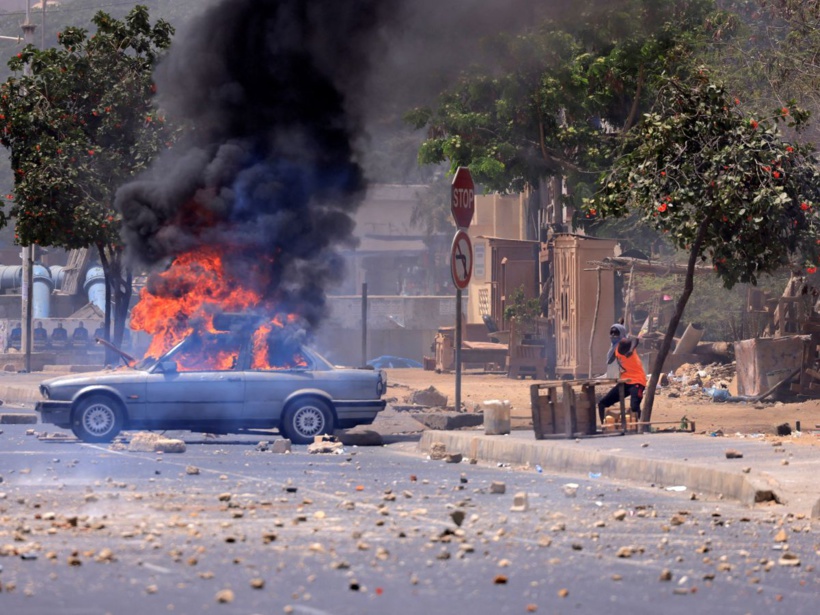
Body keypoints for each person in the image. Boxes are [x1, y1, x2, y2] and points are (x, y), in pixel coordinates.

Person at [598, 330, 647, 425]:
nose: (613, 336)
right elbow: (609, 360)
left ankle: (639, 428)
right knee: (602, 404)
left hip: (637, 381)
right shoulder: (615, 348)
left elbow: (634, 340)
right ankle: (605, 427)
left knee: (634, 407)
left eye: (615, 334)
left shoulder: (624, 343)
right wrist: (611, 350)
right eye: (611, 333)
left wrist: (630, 350)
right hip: (625, 382)